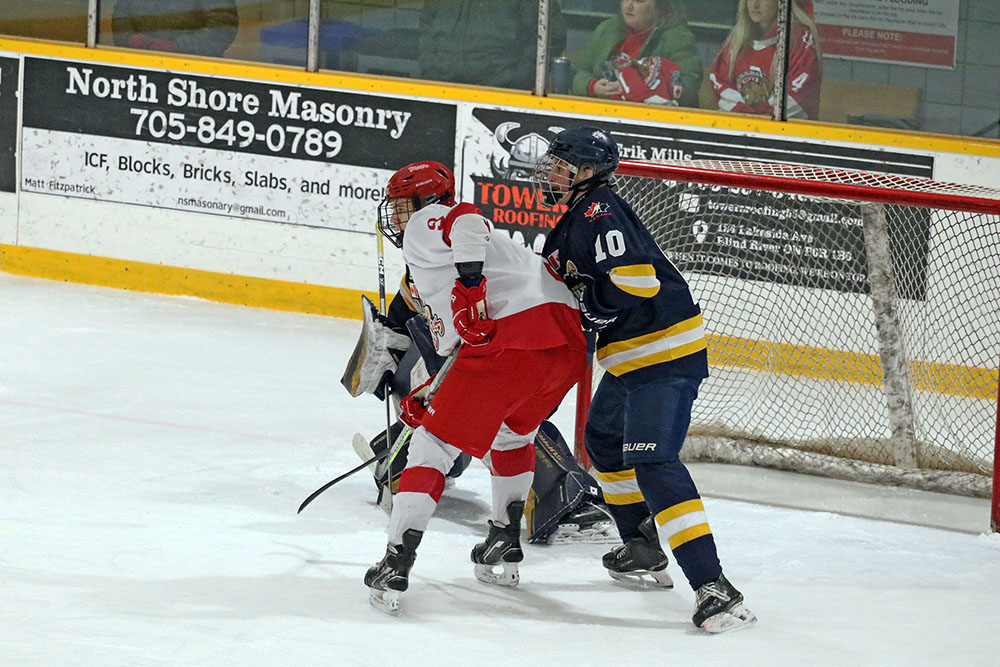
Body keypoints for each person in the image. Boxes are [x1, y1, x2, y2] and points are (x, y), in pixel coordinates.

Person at [531, 126, 757, 634]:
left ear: (586, 172)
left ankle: (714, 587)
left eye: (561, 167)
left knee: (653, 462)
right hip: (632, 358)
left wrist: (594, 304)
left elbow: (637, 281)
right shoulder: (572, 219)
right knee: (603, 442)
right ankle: (640, 546)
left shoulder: (599, 211)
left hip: (664, 353)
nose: (551, 175)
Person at [363, 161, 588, 614]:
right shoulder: (462, 260)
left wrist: (470, 289)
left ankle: (395, 563)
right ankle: (504, 539)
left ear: (426, 201)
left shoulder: (427, 224)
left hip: (513, 342)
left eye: (403, 207)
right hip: (565, 349)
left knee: (431, 448)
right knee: (512, 437)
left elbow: (465, 219)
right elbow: (462, 351)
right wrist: (431, 392)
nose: (398, 218)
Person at [570, 0, 702, 108]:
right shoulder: (607, 29)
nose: (629, 6)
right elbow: (575, 72)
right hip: (600, 113)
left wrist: (638, 89)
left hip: (649, 121)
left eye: (639, 1)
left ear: (660, 8)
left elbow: (688, 91)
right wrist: (591, 86)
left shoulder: (678, 39)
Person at [709, 0, 821, 119]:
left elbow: (797, 99)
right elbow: (721, 82)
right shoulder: (737, 39)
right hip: (740, 126)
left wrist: (754, 118)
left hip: (784, 130)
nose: (755, 4)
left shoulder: (800, 42)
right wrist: (746, 116)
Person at [417, 0, 566, 90]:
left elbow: (551, 34)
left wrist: (517, 80)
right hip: (441, 88)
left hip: (500, 94)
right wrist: (430, 68)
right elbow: (426, 26)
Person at [112, 0, 238, 58]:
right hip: (137, 70)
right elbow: (120, 12)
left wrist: (179, 46)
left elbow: (222, 29)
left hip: (192, 78)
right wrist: (128, 37)